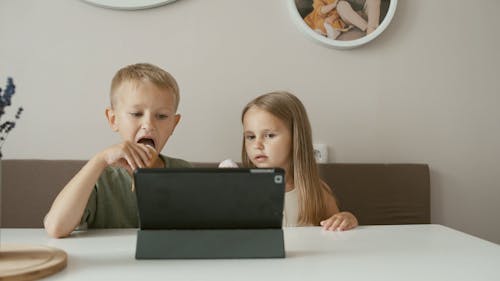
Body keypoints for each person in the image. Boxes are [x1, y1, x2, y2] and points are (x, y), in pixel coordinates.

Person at [44, 63, 191, 238]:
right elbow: (56, 227)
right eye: (136, 114)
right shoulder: (100, 177)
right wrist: (100, 159)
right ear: (113, 119)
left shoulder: (184, 173)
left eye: (161, 116)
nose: (149, 125)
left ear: (173, 124)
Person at [240, 91, 358, 231]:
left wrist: (347, 218)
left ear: (296, 139)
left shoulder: (316, 192)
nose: (257, 145)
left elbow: (336, 225)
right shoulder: (241, 191)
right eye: (251, 137)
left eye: (269, 135)